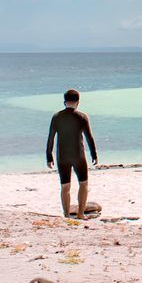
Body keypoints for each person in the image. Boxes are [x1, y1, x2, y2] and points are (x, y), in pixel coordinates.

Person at [45, 89, 98, 218]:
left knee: (65, 187)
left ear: (64, 102)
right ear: (78, 102)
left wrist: (49, 156)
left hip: (62, 157)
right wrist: (94, 154)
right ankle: (80, 214)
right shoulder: (82, 117)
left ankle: (67, 215)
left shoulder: (57, 117)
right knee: (83, 184)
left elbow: (51, 137)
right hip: (78, 156)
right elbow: (89, 137)